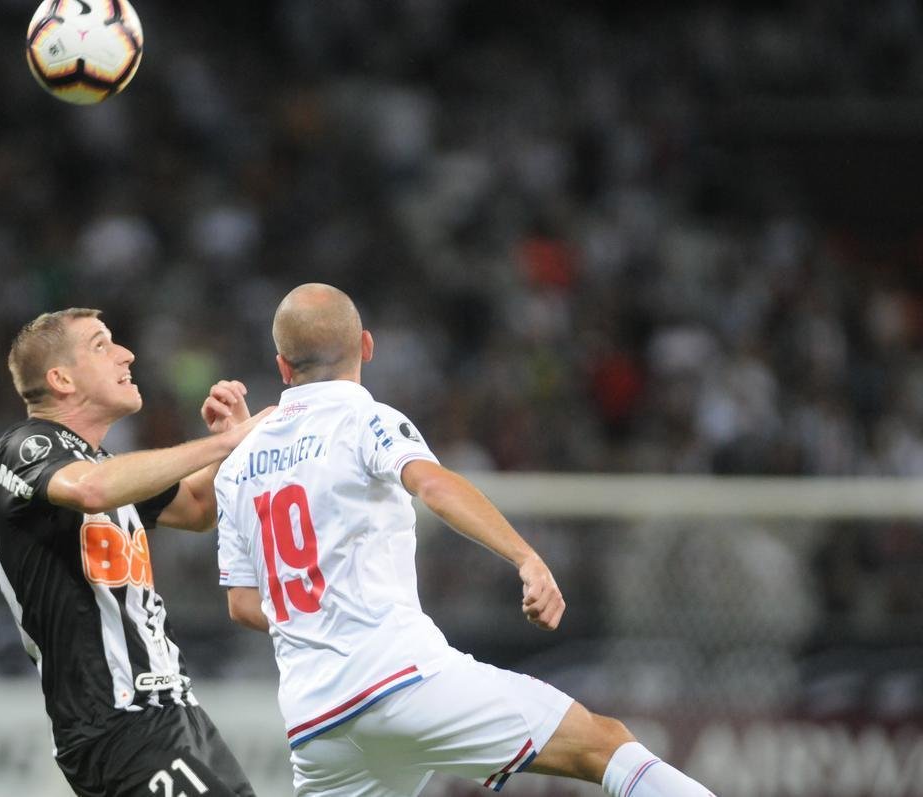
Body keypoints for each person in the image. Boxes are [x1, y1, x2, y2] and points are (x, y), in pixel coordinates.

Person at [216, 284, 716, 797]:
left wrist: (317, 620)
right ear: (366, 346)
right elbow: (432, 484)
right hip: (400, 682)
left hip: (317, 721)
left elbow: (243, 605)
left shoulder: (235, 466)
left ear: (282, 367)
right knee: (604, 745)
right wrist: (526, 557)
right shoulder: (365, 419)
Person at [0, 307, 266, 797]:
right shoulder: (24, 447)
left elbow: (199, 508)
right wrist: (224, 444)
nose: (126, 354)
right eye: (101, 344)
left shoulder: (106, 466)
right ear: (61, 378)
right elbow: (92, 491)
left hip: (176, 712)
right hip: (112, 724)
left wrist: (229, 447)